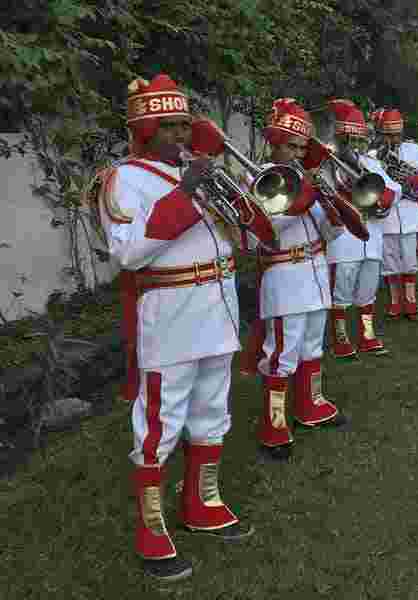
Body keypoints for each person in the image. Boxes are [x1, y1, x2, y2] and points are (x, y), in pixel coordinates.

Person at [96, 74, 262, 581]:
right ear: (144, 129)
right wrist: (189, 196)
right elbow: (127, 252)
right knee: (160, 420)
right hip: (169, 311)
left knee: (213, 409)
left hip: (217, 304)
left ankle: (202, 502)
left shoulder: (195, 170)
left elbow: (246, 229)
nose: (179, 135)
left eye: (183, 126)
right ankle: (152, 529)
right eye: (167, 126)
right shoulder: (124, 178)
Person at [241, 98, 350, 462]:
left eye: (303, 147)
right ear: (275, 143)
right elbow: (256, 236)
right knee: (281, 353)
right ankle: (274, 424)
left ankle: (311, 404)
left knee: (312, 346)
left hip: (316, 271)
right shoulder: (255, 178)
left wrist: (332, 212)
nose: (298, 153)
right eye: (291, 146)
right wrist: (298, 202)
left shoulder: (306, 178)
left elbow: (328, 234)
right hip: (284, 275)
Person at [324, 99, 399, 358]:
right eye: (349, 138)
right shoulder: (327, 164)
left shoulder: (370, 163)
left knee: (368, 286)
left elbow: (393, 189)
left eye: (358, 138)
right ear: (339, 136)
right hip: (344, 236)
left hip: (372, 233)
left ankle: (367, 333)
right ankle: (340, 336)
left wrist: (383, 198)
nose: (354, 144)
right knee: (341, 286)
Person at [375, 109, 418, 320]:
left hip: (409, 211)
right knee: (389, 260)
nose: (393, 139)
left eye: (396, 134)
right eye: (389, 134)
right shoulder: (374, 154)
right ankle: (394, 301)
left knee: (409, 259)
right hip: (387, 215)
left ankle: (410, 301)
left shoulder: (413, 149)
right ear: (381, 133)